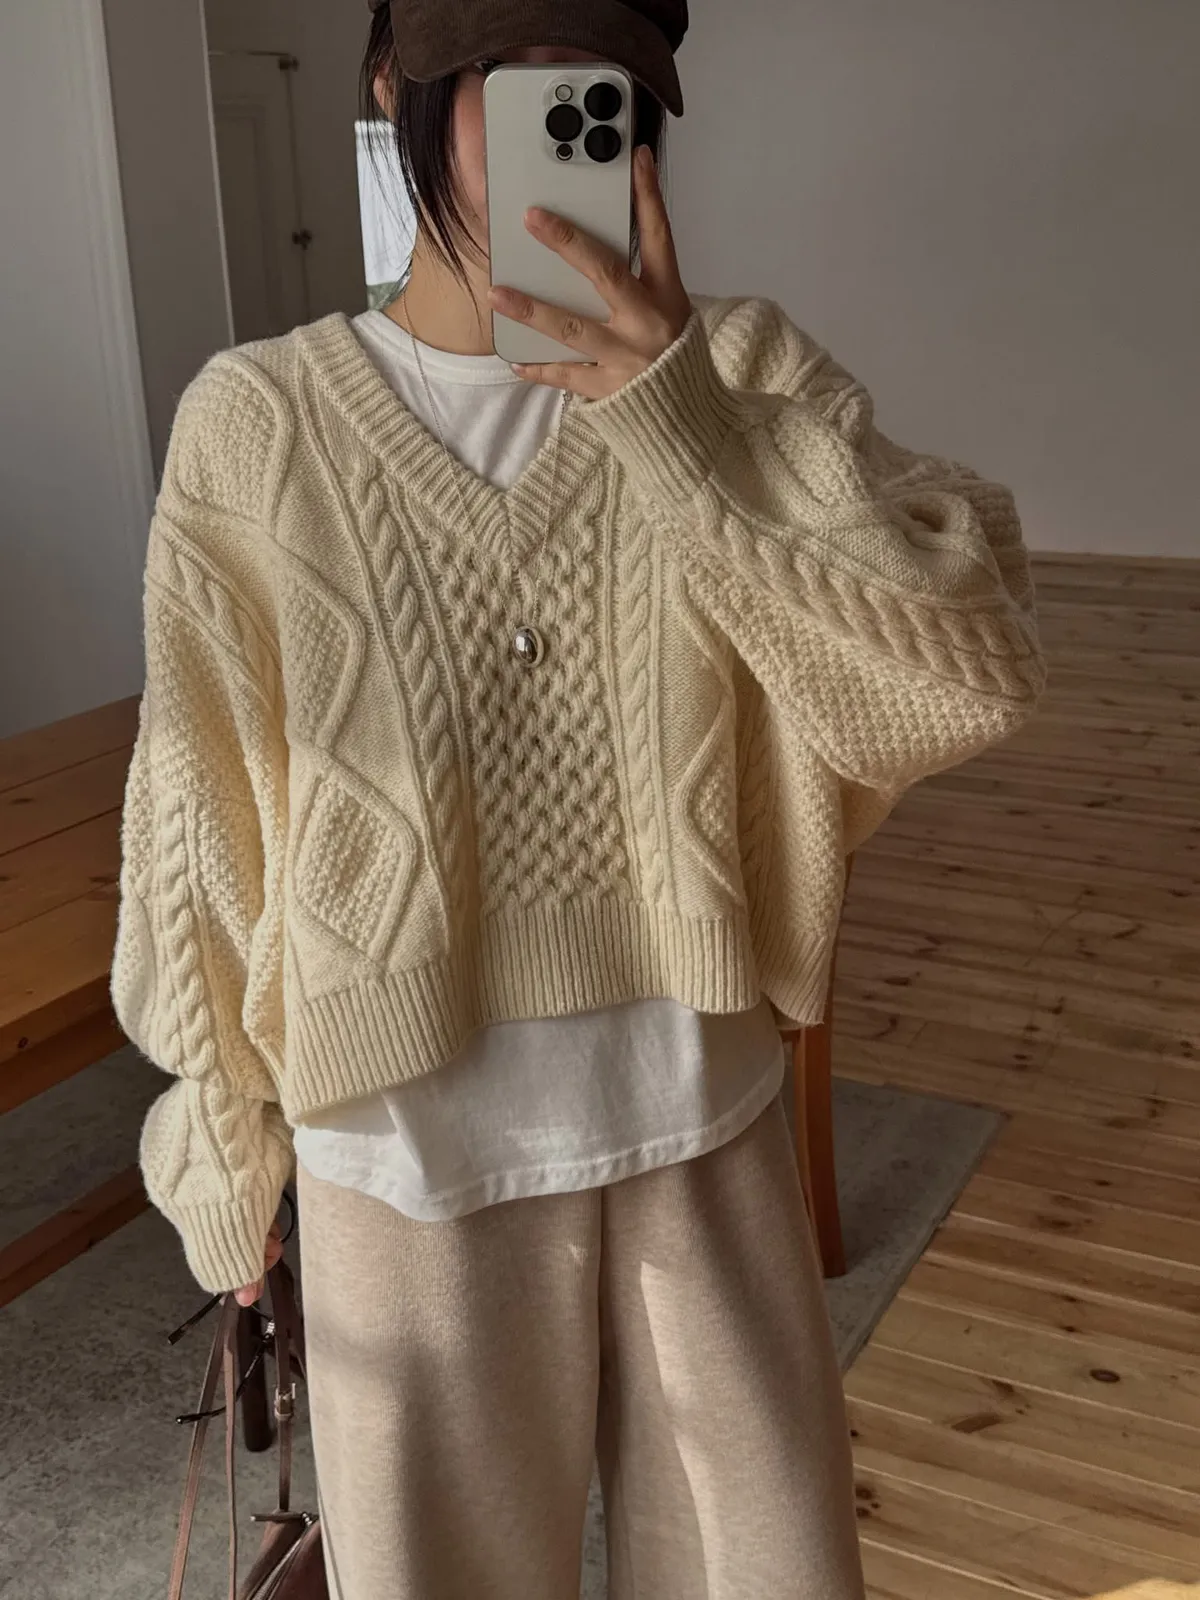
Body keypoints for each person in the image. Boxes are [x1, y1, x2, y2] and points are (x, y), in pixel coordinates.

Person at [111, 1, 1044, 1595]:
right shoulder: (256, 424)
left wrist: (680, 421)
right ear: (396, 84)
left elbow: (971, 674)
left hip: (703, 1133)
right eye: (520, 80)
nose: (571, 121)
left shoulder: (736, 374)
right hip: (399, 1176)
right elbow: (195, 820)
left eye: (602, 89)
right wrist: (221, 1141)